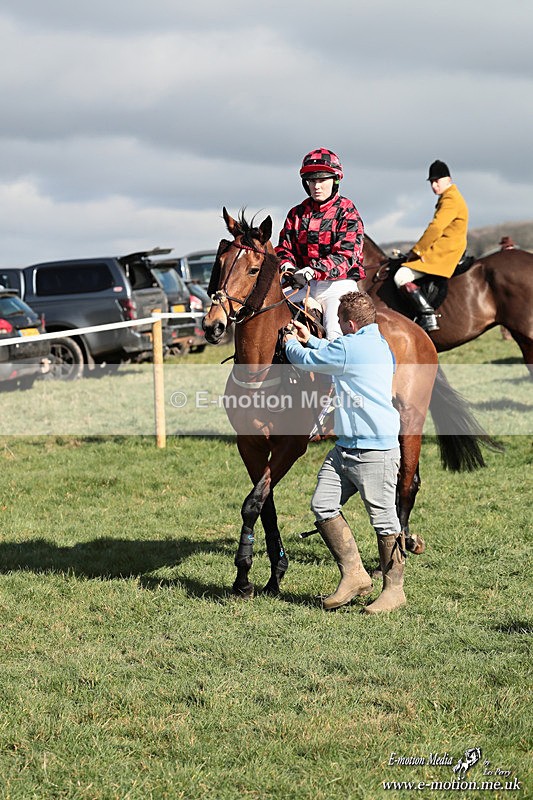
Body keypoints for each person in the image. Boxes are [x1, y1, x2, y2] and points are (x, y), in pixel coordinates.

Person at [284, 291, 406, 614]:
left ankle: (394, 590)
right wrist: (311, 338)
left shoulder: (352, 348)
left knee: (384, 521)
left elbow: (309, 361)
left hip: (374, 451)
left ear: (350, 324)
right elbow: (336, 351)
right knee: (323, 504)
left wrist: (291, 344)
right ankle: (354, 574)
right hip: (346, 449)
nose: (336, 326)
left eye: (338, 322)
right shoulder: (376, 343)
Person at [276, 148, 365, 340]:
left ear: (335, 180)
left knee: (334, 333)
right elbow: (284, 248)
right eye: (312, 181)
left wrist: (312, 271)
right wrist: (288, 266)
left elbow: (346, 256)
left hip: (337, 286)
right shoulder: (295, 213)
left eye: (322, 180)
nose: (316, 186)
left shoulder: (347, 211)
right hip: (300, 284)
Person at [394, 159, 469, 333]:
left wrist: (417, 251)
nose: (434, 185)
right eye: (432, 182)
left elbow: (436, 227)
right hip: (446, 248)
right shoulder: (450, 196)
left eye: (437, 181)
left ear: (448, 179)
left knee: (401, 276)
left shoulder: (450, 198)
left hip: (445, 251)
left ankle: (427, 316)